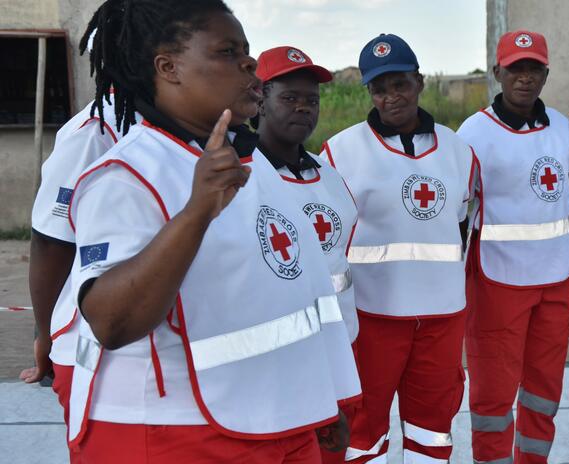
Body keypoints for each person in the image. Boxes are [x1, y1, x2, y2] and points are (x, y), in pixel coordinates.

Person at [64, 1, 357, 462]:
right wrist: (196, 214)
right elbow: (110, 321)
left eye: (248, 51)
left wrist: (326, 396)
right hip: (175, 430)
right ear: (169, 67)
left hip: (277, 416)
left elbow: (298, 289)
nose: (248, 64)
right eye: (226, 51)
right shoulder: (127, 173)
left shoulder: (252, 160)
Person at [321, 33, 477, 463]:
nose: (391, 97)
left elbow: (460, 226)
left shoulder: (459, 150)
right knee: (364, 432)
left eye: (400, 84)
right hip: (373, 317)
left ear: (419, 81)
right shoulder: (340, 152)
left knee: (433, 431)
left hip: (442, 318)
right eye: (379, 88)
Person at [456, 30, 569, 464]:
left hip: (555, 280)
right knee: (493, 397)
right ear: (498, 74)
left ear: (545, 73)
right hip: (498, 281)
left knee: (545, 393)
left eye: (533, 69)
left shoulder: (563, 127)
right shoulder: (473, 132)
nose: (524, 78)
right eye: (515, 69)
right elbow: (456, 209)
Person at [253, 45, 361, 461]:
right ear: (259, 100)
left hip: (337, 350)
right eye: (289, 98)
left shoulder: (330, 177)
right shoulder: (239, 176)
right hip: (274, 362)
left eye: (311, 100)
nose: (303, 108)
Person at [22, 97, 141, 433]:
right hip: (98, 354)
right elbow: (52, 241)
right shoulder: (96, 130)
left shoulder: (182, 124)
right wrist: (45, 336)